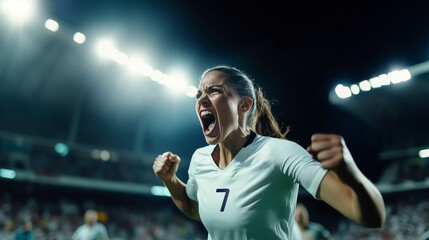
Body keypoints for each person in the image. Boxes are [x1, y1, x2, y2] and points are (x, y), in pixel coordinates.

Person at [153, 65, 385, 239]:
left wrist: (350, 173)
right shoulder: (199, 159)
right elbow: (197, 210)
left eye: (213, 91)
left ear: (244, 105)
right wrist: (171, 180)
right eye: (199, 94)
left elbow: (371, 216)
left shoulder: (280, 153)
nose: (202, 100)